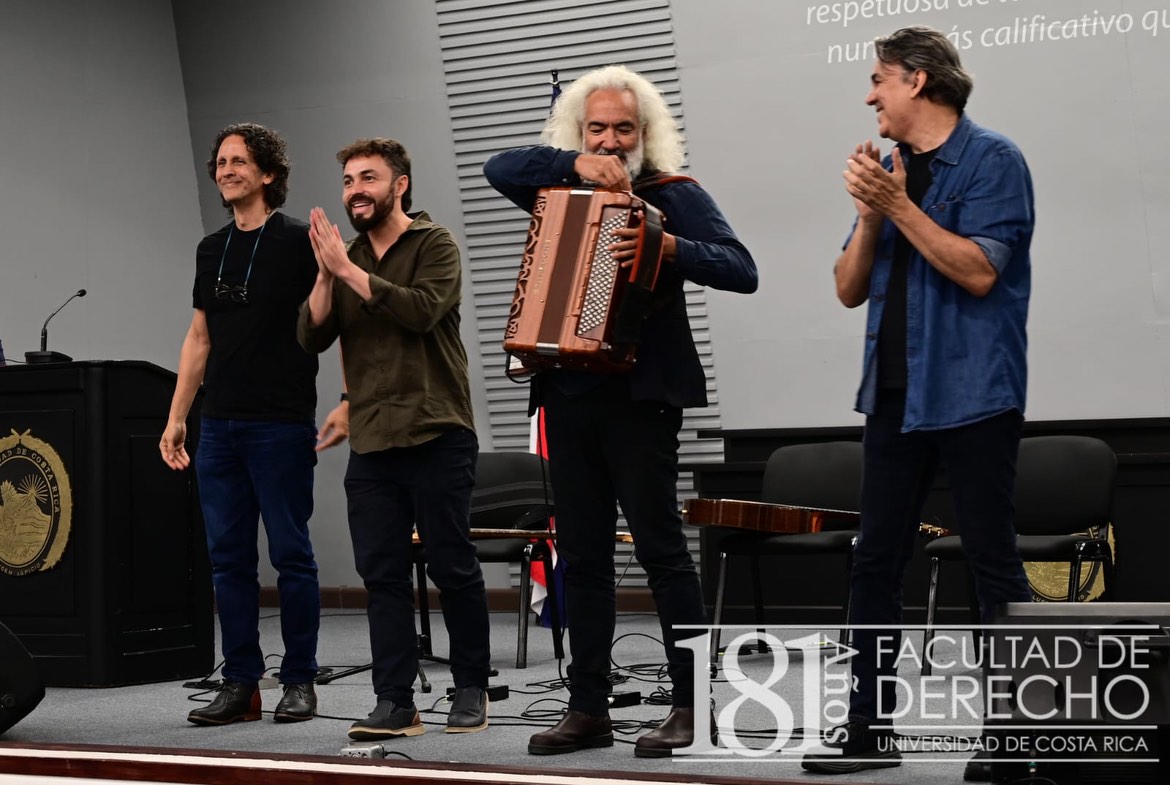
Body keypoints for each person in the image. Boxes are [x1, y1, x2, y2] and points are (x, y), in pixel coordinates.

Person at [483, 65, 758, 758]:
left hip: (642, 399)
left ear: (646, 135)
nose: (611, 139)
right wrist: (575, 160)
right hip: (568, 395)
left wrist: (669, 246)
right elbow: (497, 166)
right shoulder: (558, 188)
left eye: (623, 129)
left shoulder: (671, 194)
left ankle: (693, 704)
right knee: (581, 556)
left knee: (663, 552)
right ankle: (588, 706)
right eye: (596, 127)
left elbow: (739, 266)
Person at [800, 27, 1035, 776]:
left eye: (878, 79)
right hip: (893, 396)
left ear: (917, 80)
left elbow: (978, 271)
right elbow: (845, 288)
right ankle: (869, 728)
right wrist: (871, 215)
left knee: (993, 565)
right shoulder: (889, 171)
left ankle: (1015, 735)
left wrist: (898, 206)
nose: (868, 94)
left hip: (973, 394)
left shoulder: (994, 160)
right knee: (875, 562)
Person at [297, 137, 491, 740]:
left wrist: (348, 270)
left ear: (399, 184)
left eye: (369, 178)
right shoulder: (345, 255)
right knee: (381, 575)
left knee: (451, 565)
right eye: (349, 180)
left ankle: (470, 689)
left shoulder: (435, 244)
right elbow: (310, 337)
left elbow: (419, 312)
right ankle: (395, 702)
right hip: (374, 442)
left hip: (437, 431)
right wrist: (329, 275)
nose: (356, 190)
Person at [160, 123, 321, 725]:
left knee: (292, 556)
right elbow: (199, 338)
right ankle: (242, 684)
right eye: (221, 162)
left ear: (269, 173)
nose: (226, 170)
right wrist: (178, 417)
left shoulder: (299, 242)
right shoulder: (211, 248)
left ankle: (300, 680)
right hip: (219, 426)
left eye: (239, 161)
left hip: (279, 423)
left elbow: (333, 323)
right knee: (227, 560)